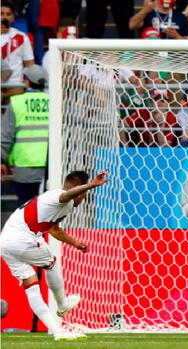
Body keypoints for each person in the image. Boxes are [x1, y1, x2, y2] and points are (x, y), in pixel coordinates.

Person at [0, 170, 110, 341]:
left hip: (5, 243)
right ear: (80, 191)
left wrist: (75, 243)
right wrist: (91, 185)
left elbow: (54, 230)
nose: (84, 198)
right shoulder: (57, 196)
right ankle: (62, 305)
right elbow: (67, 195)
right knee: (50, 262)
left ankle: (57, 332)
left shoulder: (54, 204)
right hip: (23, 239)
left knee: (31, 285)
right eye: (85, 194)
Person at [1, 65, 49, 206]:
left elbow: (5, 136)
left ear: (27, 81)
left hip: (24, 164)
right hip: (50, 163)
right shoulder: (54, 101)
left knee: (25, 208)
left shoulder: (16, 103)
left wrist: (1, 160)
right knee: (48, 209)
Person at [1, 1, 35, 102]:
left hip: (15, 86)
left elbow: (30, 64)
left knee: (16, 117)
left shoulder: (22, 37)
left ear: (13, 18)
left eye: (8, 14)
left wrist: (28, 86)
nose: (4, 17)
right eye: (1, 14)